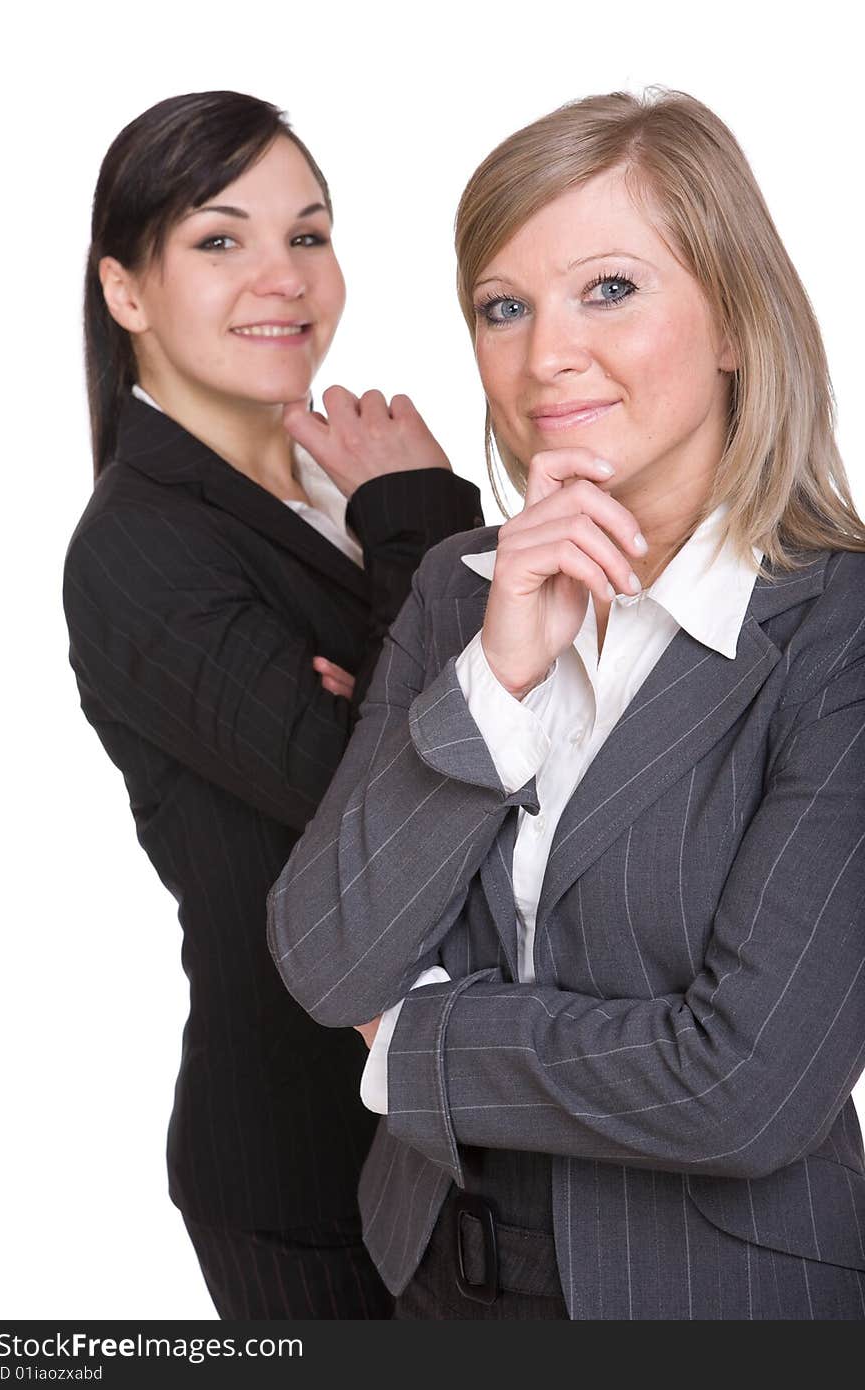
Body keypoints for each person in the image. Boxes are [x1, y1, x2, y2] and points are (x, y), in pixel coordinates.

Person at [268, 89, 865, 1319]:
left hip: (712, 1300)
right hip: (429, 1270)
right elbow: (331, 963)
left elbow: (746, 1085)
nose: (544, 355)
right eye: (504, 307)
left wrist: (419, 1042)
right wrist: (498, 677)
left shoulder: (838, 635)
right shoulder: (458, 588)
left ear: (735, 322)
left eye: (608, 288)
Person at [62, 90, 482, 1320]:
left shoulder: (327, 480)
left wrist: (395, 578)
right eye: (219, 238)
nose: (282, 276)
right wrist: (420, 527)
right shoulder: (138, 550)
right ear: (126, 291)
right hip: (305, 1165)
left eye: (309, 233)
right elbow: (383, 823)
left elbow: (502, 743)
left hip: (468, 1123)